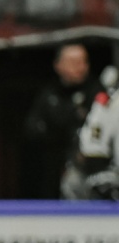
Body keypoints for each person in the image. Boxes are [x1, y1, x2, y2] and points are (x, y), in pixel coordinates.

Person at [23, 43, 100, 199]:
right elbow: (33, 129)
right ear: (58, 65)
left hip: (90, 169)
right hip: (52, 166)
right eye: (73, 62)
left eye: (83, 62)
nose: (80, 67)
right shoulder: (49, 94)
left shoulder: (97, 93)